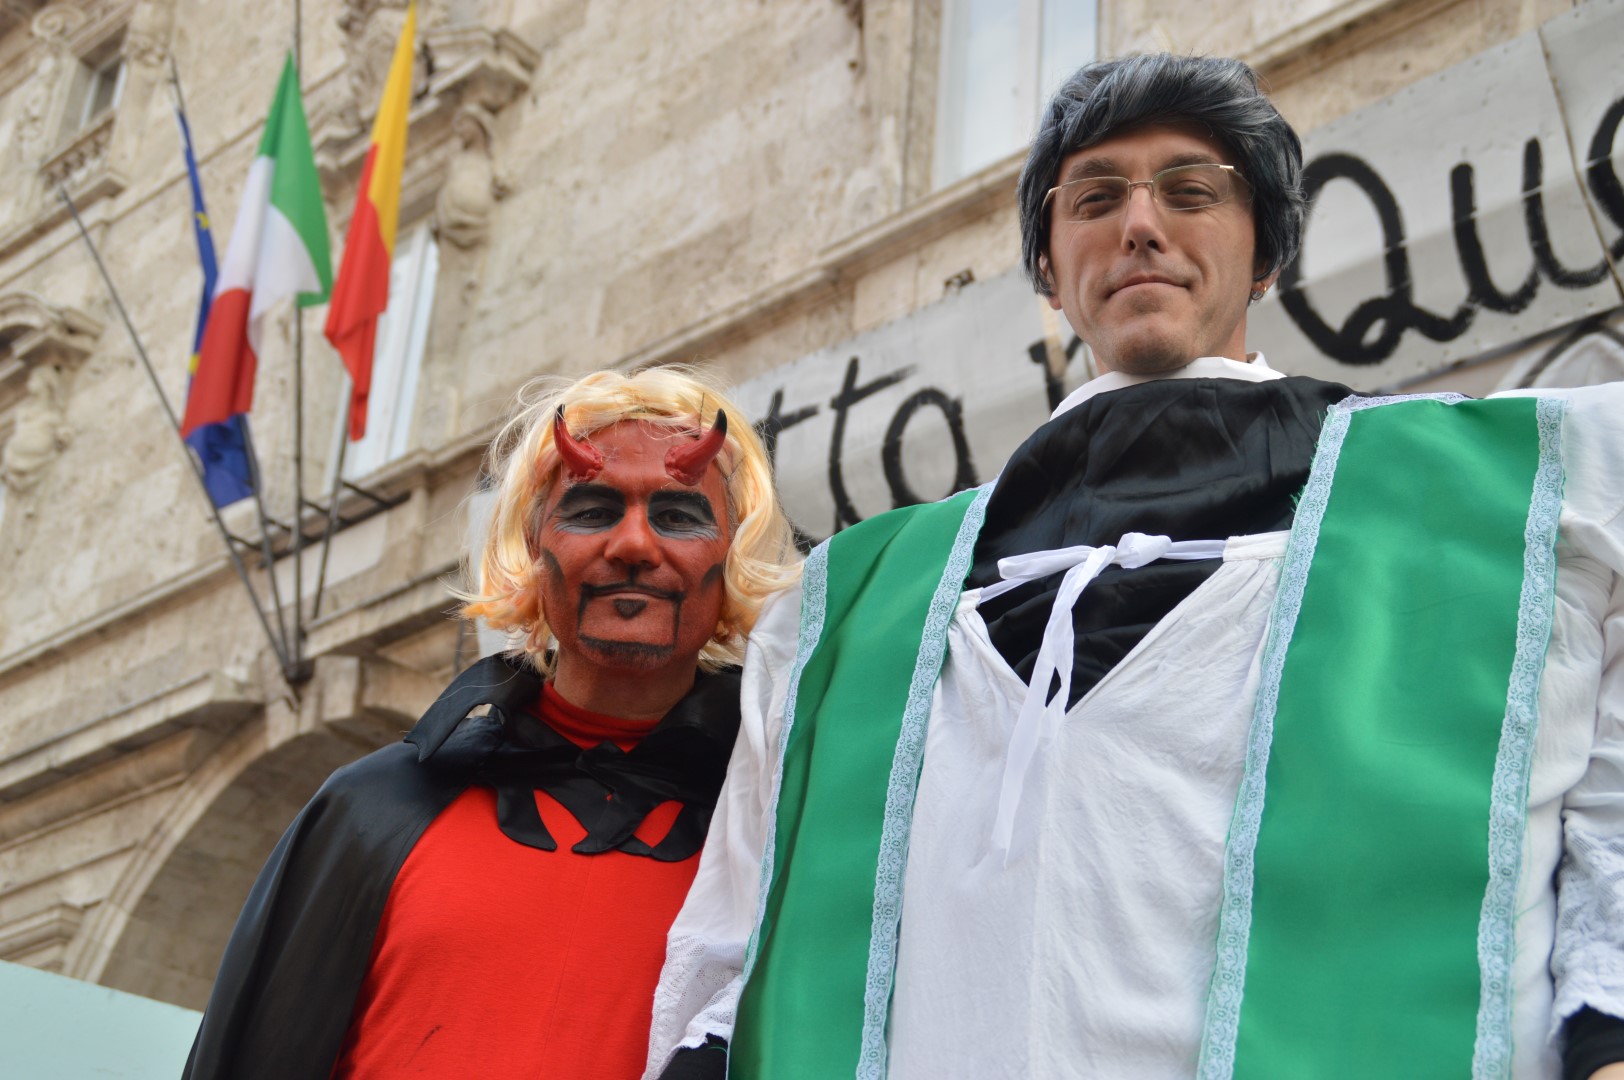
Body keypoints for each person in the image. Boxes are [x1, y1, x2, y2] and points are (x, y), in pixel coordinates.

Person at [644, 55, 1624, 1079]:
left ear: (1266, 251)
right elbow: (734, 966)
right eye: (1096, 197)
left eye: (1191, 191)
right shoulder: (848, 609)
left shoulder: (1526, 498)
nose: (1140, 225)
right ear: (1047, 263)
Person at [182, 367, 797, 1080]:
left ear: (732, 554)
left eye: (679, 517)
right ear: (533, 547)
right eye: (592, 510)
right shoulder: (372, 808)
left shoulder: (785, 826)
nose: (633, 544)